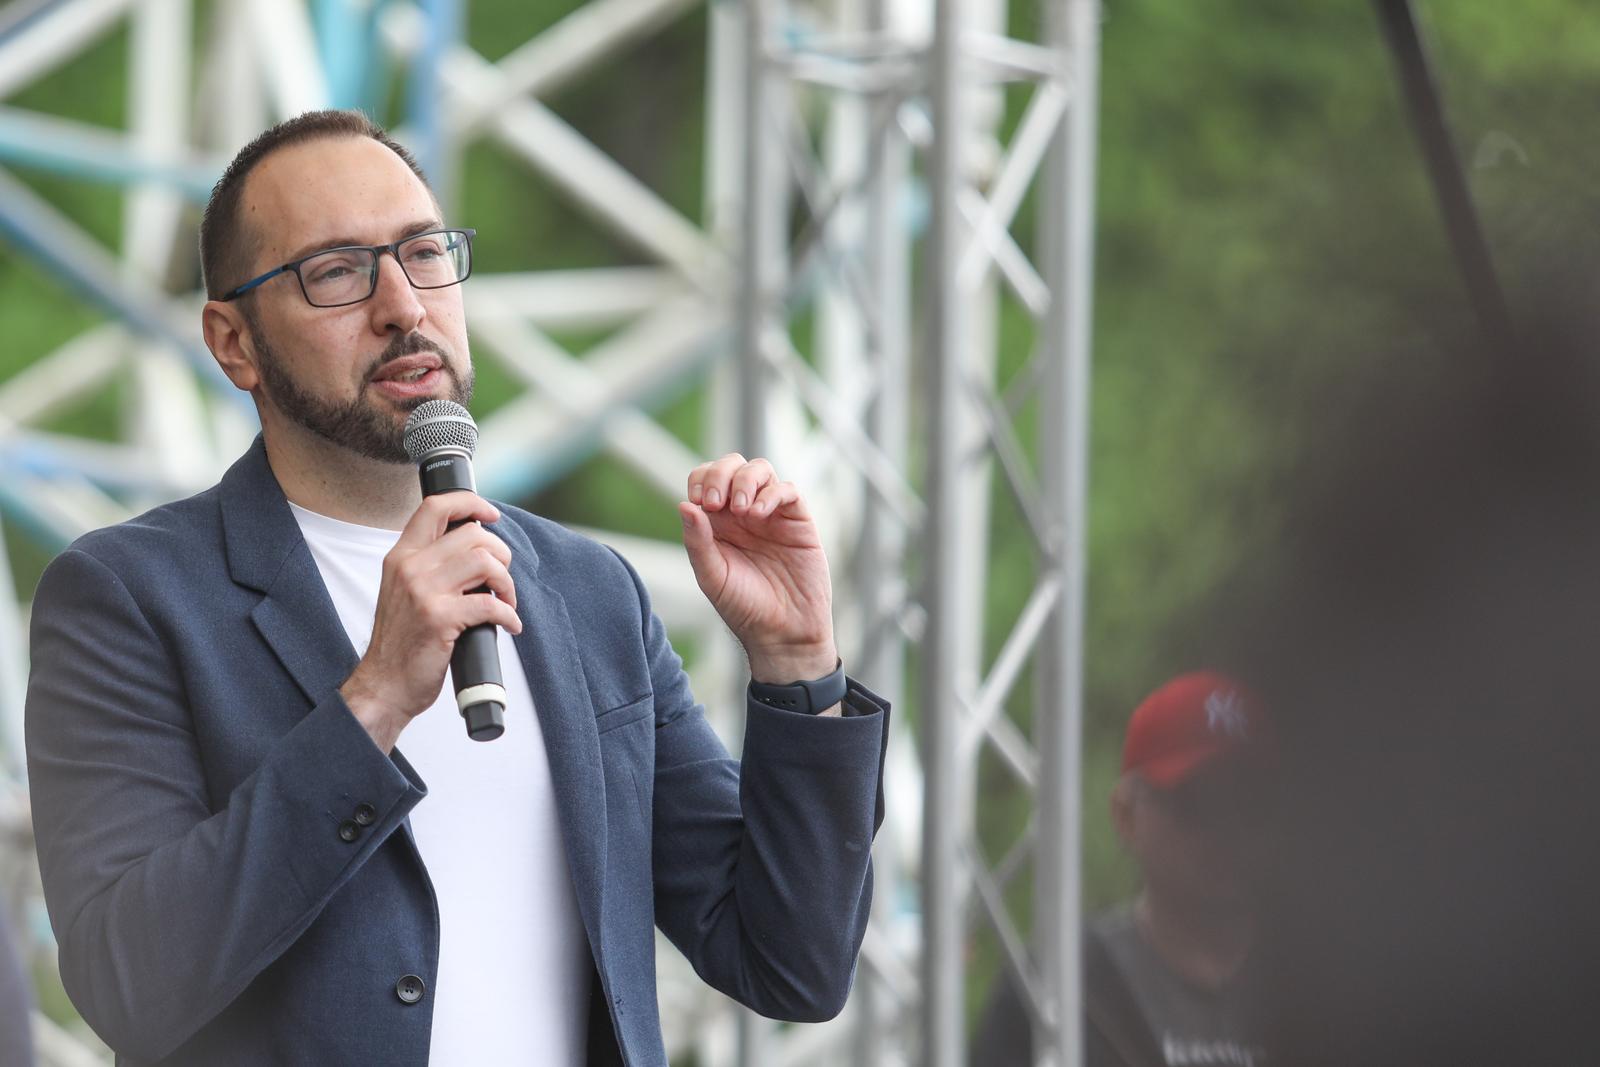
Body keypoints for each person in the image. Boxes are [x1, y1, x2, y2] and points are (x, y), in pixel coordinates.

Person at [24, 109, 889, 1067]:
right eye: (337, 271)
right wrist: (374, 700)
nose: (404, 305)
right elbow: (125, 980)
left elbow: (789, 963)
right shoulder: (129, 597)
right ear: (234, 343)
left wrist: (797, 663)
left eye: (425, 253)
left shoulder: (587, 590)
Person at [975, 671, 1270, 1067]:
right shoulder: (1061, 991)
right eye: (1197, 801)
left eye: (1252, 800)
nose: (1227, 827)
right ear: (1126, 814)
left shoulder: (1340, 989)